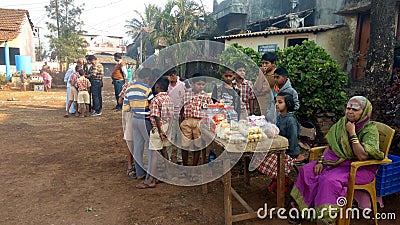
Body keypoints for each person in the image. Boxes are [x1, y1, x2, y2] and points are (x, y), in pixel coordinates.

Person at [289, 96, 384, 225]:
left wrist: (352, 133)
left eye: (355, 109)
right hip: (337, 162)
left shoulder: (369, 130)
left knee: (329, 180)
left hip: (359, 168)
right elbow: (331, 145)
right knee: (308, 170)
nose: (350, 111)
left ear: (365, 111)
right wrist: (321, 161)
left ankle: (327, 218)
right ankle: (303, 209)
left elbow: (362, 156)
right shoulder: (342, 123)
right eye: (348, 108)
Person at [252, 92, 303, 193]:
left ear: (288, 104)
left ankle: (282, 180)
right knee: (259, 155)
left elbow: (293, 141)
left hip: (289, 151)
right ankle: (280, 179)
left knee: (265, 159)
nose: (276, 104)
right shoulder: (280, 117)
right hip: (280, 147)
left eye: (280, 102)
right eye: (276, 102)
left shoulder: (290, 121)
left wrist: (288, 153)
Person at [136, 77, 174, 189]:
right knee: (164, 151)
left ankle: (151, 179)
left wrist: (160, 131)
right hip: (167, 127)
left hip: (158, 128)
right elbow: (172, 116)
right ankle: (168, 174)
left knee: (154, 154)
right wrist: (168, 129)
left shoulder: (156, 100)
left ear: (157, 87)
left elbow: (156, 116)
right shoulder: (169, 99)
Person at [180, 73, 213, 182]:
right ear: (192, 83)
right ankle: (185, 168)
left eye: (203, 84)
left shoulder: (206, 97)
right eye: (199, 84)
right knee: (185, 145)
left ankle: (194, 170)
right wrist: (181, 121)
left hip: (200, 122)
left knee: (197, 145)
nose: (201, 86)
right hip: (187, 121)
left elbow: (210, 110)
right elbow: (181, 108)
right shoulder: (186, 94)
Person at [123, 67, 154, 180]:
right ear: (147, 78)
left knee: (137, 147)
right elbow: (152, 104)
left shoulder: (129, 89)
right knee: (150, 147)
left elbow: (126, 107)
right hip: (145, 120)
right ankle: (151, 174)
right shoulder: (147, 88)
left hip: (135, 119)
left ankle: (140, 173)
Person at [163, 67, 186, 165]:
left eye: (173, 75)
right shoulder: (165, 86)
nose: (172, 77)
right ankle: (168, 158)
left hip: (179, 114)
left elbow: (185, 99)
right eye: (169, 75)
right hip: (168, 115)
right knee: (169, 137)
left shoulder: (182, 85)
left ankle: (179, 159)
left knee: (179, 137)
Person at [118, 78, 136, 178]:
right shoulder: (146, 85)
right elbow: (120, 100)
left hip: (132, 115)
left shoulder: (128, 85)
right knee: (132, 140)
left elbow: (120, 100)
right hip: (133, 115)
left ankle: (131, 166)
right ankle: (132, 166)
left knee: (131, 141)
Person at [253, 52, 277, 121]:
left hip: (268, 109)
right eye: (263, 63)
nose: (264, 65)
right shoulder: (265, 73)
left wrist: (260, 73)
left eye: (266, 63)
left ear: (273, 63)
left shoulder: (274, 76)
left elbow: (259, 89)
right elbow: (255, 89)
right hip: (259, 107)